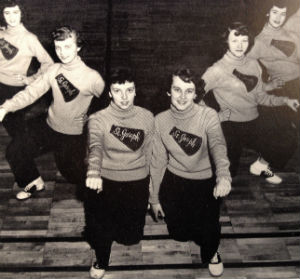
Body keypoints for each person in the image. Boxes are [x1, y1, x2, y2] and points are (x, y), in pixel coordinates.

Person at [0, 26, 105, 200]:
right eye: (58, 47)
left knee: (72, 175)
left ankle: (113, 192)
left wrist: (93, 117)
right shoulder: (54, 70)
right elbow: (31, 92)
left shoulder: (92, 78)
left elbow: (109, 101)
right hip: (48, 125)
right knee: (15, 150)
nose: (62, 53)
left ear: (78, 47)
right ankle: (33, 181)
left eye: (67, 47)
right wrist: (6, 107)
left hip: (72, 135)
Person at [149, 67, 231, 277]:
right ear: (168, 91)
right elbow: (157, 162)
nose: (182, 96)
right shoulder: (160, 120)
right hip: (174, 181)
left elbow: (218, 147)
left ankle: (212, 253)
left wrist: (223, 176)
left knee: (208, 230)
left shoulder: (208, 115)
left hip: (204, 182)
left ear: (196, 94)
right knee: (179, 234)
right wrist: (154, 198)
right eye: (177, 89)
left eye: (188, 90)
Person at [201, 21, 299, 184]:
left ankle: (260, 166)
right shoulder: (216, 70)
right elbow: (195, 94)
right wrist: (214, 116)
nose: (240, 45)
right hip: (230, 125)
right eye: (235, 41)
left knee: (287, 137)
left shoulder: (253, 64)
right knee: (227, 174)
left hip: (253, 121)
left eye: (244, 41)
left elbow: (260, 97)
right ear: (226, 42)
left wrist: (285, 100)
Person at [84, 67, 154, 279]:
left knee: (131, 237)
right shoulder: (98, 119)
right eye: (118, 91)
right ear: (110, 93)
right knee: (102, 230)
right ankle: (101, 257)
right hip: (106, 181)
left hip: (137, 181)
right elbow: (94, 147)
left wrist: (152, 191)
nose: (124, 97)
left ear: (135, 91)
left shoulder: (147, 117)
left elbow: (151, 154)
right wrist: (94, 172)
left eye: (129, 90)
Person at [0, 0, 53, 137]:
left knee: (18, 134)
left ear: (22, 14)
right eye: (7, 13)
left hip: (13, 91)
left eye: (15, 12)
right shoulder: (2, 33)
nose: (11, 17)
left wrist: (31, 79)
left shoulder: (30, 39)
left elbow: (49, 64)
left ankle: (24, 157)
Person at [247, 0, 300, 132]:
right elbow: (242, 65)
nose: (278, 18)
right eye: (274, 12)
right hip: (286, 86)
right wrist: (266, 85)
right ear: (267, 13)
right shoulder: (259, 40)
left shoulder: (290, 33)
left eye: (282, 14)